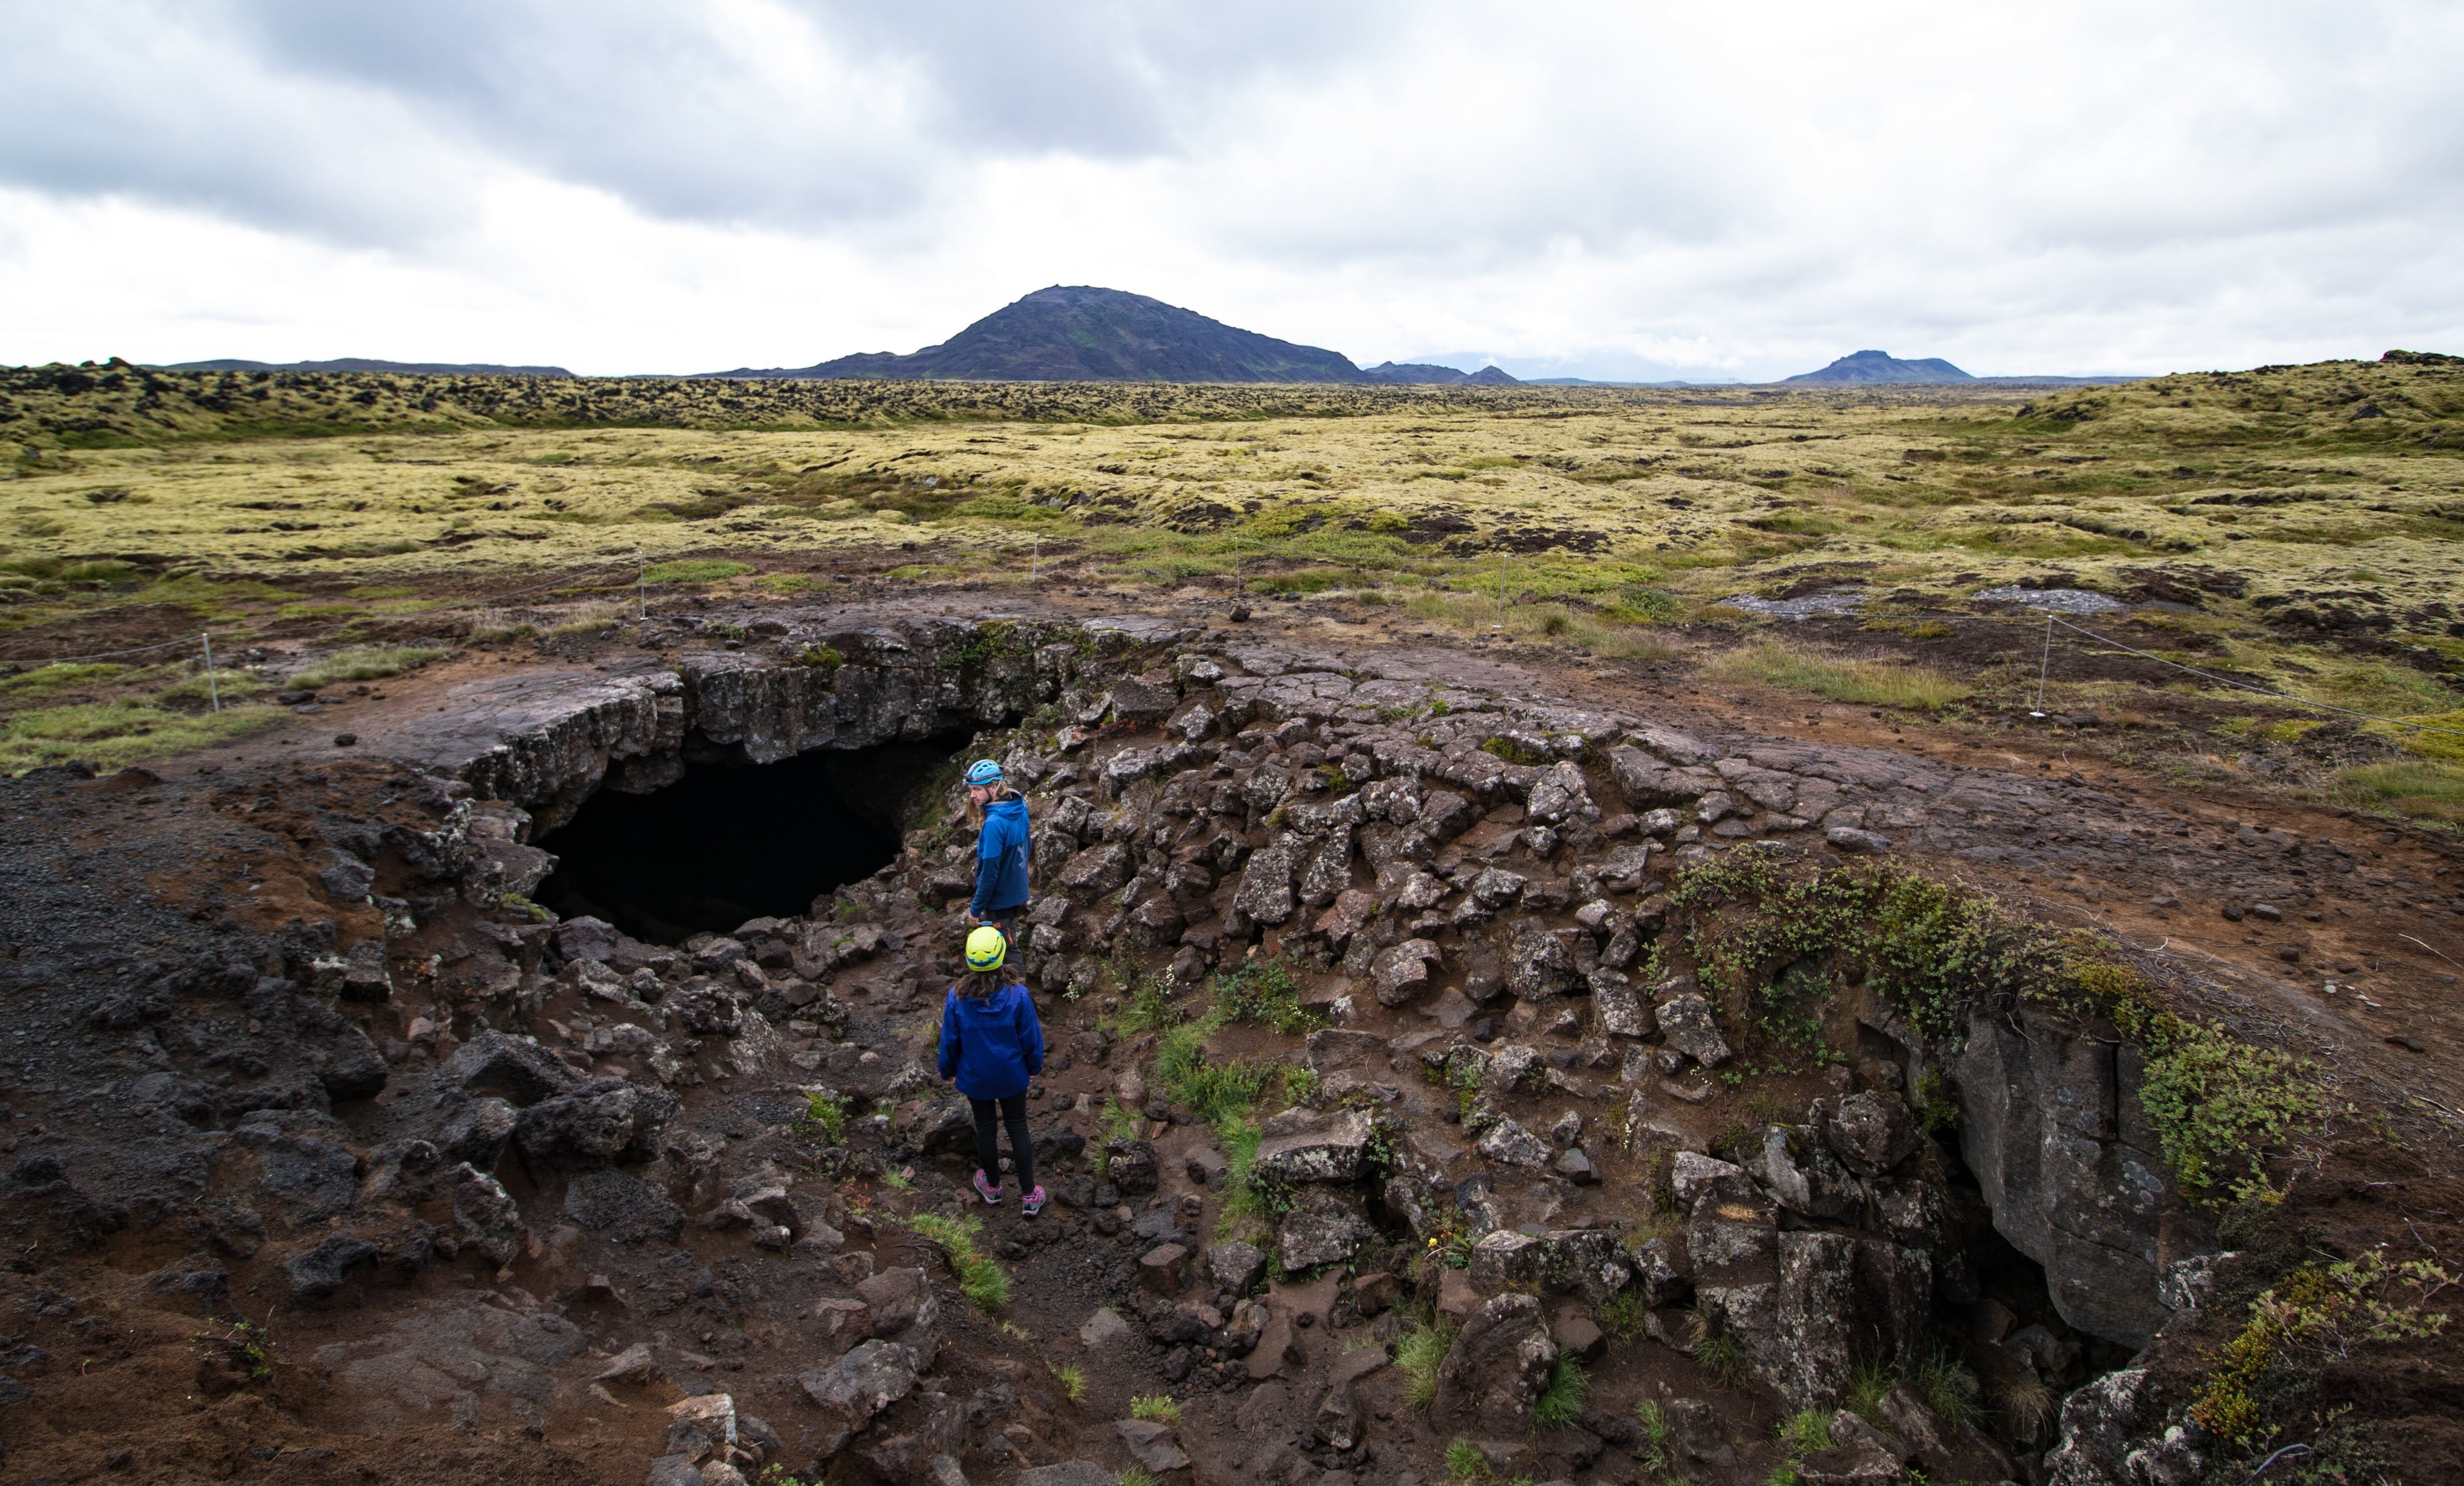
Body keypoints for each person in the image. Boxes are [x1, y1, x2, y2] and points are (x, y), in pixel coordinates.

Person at [937, 925, 1047, 1215]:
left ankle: (994, 1189)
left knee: (985, 1129)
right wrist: (1034, 1066)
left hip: (976, 1078)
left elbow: (949, 1039)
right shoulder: (1018, 995)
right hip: (1012, 1076)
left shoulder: (957, 998)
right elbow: (1031, 1037)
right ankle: (1029, 1195)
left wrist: (946, 1070)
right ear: (1001, 955)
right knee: (1018, 1128)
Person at [961, 758, 1031, 942]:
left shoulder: (994, 824)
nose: (972, 796)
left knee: (1006, 950)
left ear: (993, 787)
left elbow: (990, 872)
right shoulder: (1018, 806)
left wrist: (976, 909)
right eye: (971, 790)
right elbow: (1027, 847)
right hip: (1016, 890)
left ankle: (1016, 972)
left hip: (1000, 900)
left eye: (977, 790)